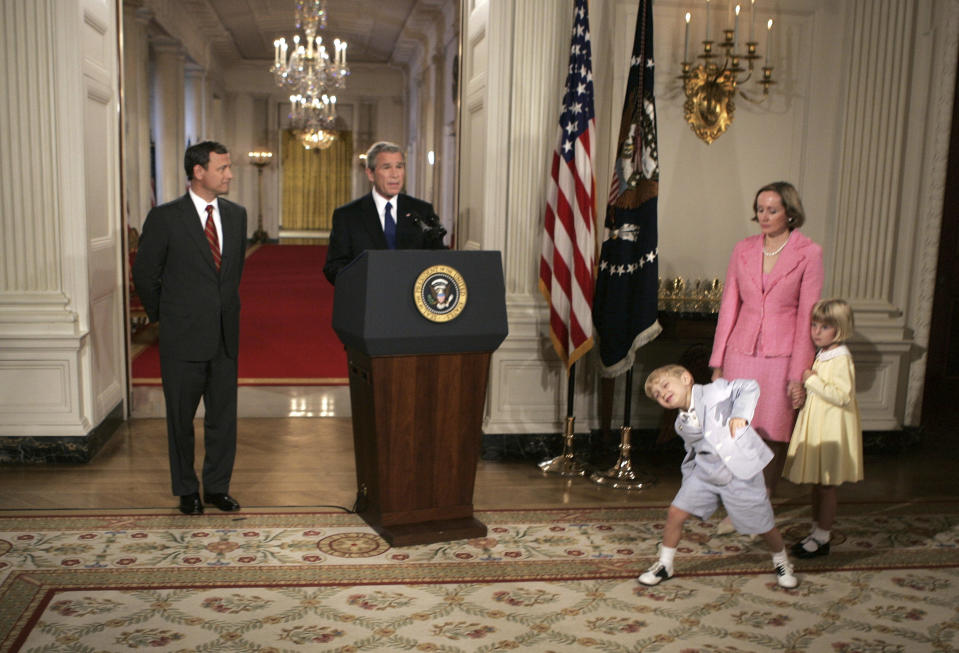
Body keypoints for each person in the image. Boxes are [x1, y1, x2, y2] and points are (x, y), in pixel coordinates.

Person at [132, 141, 247, 516]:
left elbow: (231, 275)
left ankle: (217, 487)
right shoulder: (165, 218)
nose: (230, 174)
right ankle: (186, 490)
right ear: (199, 172)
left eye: (229, 168)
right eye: (223, 168)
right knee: (181, 420)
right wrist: (167, 317)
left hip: (225, 335)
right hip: (182, 338)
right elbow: (146, 275)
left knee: (223, 420)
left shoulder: (237, 215)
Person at [710, 181, 824, 505]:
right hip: (740, 352)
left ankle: (764, 498)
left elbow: (807, 316)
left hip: (782, 355)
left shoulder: (809, 253)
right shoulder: (742, 249)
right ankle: (738, 500)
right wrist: (717, 363)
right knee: (737, 430)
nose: (764, 216)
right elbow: (729, 306)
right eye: (760, 209)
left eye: (772, 210)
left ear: (790, 213)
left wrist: (798, 373)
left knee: (773, 431)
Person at [638, 365, 798, 589]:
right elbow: (692, 451)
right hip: (706, 473)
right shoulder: (680, 424)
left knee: (762, 524)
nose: (662, 394)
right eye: (657, 395)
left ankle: (781, 561)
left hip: (738, 472)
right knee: (676, 512)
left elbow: (748, 386)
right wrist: (689, 482)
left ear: (686, 378)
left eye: (665, 385)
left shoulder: (715, 391)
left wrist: (740, 414)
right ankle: (665, 564)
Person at [783, 299, 863, 558]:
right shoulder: (823, 353)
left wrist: (811, 380)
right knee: (818, 484)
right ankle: (816, 531)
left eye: (825, 326)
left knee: (827, 485)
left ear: (839, 328)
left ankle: (823, 537)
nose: (816, 331)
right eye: (814, 325)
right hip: (819, 422)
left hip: (831, 428)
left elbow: (842, 395)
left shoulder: (840, 358)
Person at [323, 141, 446, 284]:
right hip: (368, 299)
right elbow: (334, 267)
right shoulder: (347, 215)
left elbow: (439, 259)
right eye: (387, 167)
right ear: (370, 174)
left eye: (399, 167)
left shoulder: (422, 210)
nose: (395, 175)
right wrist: (365, 280)